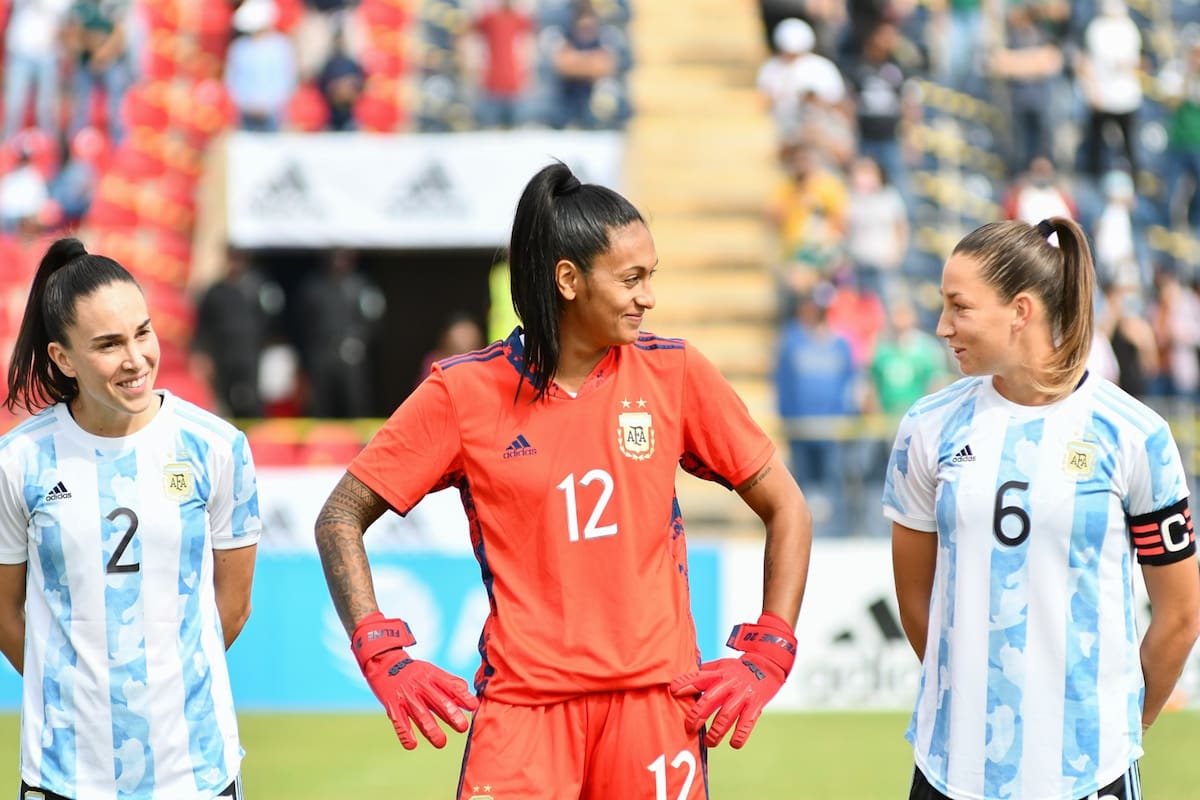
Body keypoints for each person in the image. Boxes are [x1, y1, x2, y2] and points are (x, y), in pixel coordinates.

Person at [313, 163, 812, 799]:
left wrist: (770, 646)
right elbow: (340, 516)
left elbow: (787, 506)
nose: (647, 297)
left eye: (650, 277)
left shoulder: (674, 373)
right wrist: (380, 650)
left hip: (655, 709)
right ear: (569, 280)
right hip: (522, 713)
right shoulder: (463, 392)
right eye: (631, 279)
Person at [883, 216, 1200, 800]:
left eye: (959, 307)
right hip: (950, 772)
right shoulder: (927, 428)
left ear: (1020, 310)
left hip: (1087, 774)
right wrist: (972, 706)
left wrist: (1117, 730)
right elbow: (914, 598)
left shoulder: (1135, 435)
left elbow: (1180, 616)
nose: (942, 326)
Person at [0, 238, 261, 799]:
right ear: (62, 358)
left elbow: (232, 607)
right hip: (62, 777)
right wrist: (76, 694)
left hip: (197, 774)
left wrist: (160, 689)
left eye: (143, 332)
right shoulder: (18, 461)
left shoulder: (216, 447)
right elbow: (4, 609)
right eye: (108, 344)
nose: (135, 358)